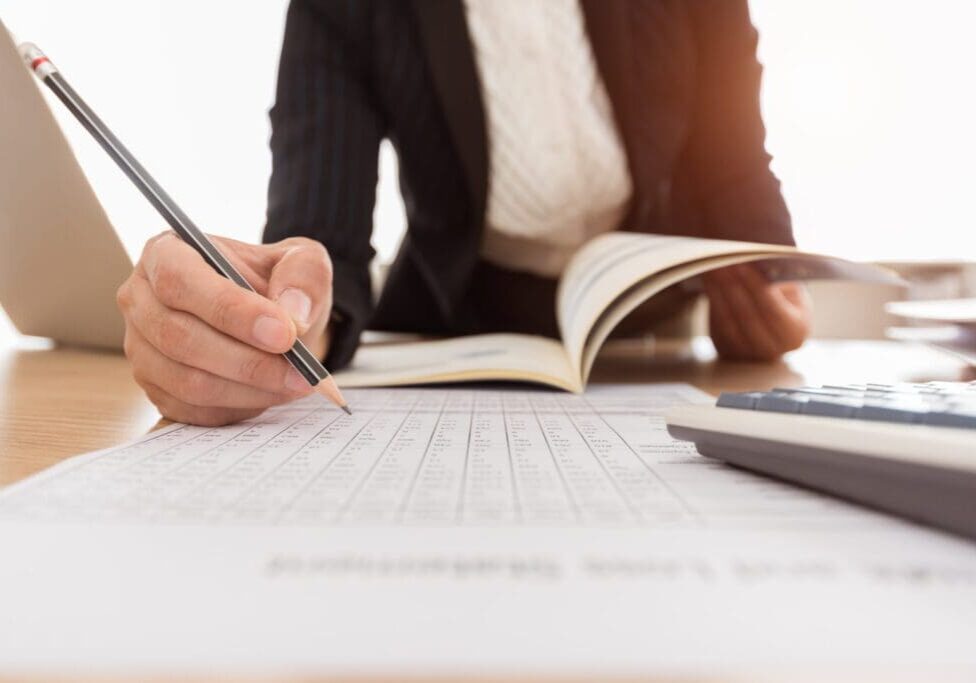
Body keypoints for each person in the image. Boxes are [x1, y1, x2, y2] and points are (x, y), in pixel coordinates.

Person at [116, 0, 812, 426]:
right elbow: (320, 239)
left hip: (648, 333)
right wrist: (280, 320)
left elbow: (733, 162)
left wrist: (774, 284)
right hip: (459, 333)